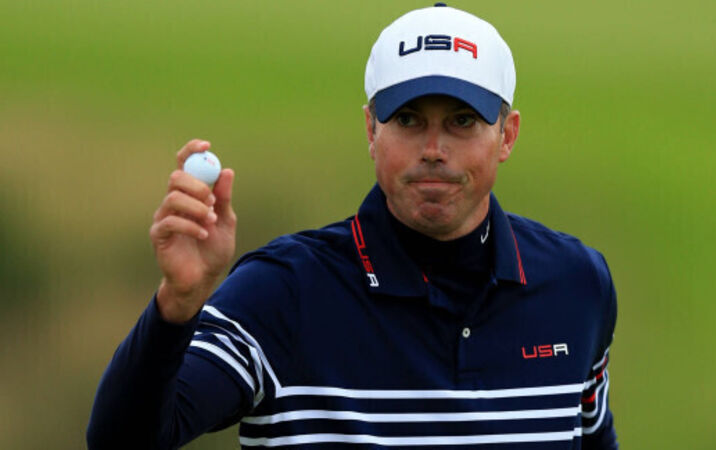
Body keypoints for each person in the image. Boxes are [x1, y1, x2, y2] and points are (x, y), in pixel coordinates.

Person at [88, 4, 619, 449]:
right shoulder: (283, 292)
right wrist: (177, 305)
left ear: (507, 135)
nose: (434, 150)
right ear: (370, 130)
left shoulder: (576, 286)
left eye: (462, 121)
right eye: (408, 120)